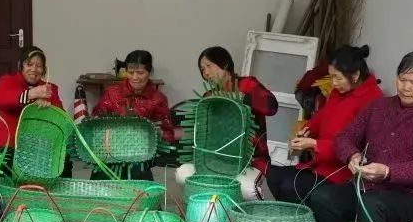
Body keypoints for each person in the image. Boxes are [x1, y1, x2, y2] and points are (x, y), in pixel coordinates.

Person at [307, 51, 413, 222]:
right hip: (370, 186)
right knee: (322, 197)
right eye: (402, 80)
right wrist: (352, 155)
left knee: (371, 204)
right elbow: (345, 137)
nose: (406, 87)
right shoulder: (378, 107)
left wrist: (387, 172)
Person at [267, 44, 383, 204]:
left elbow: (355, 147)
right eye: (331, 77)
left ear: (355, 75)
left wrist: (314, 144)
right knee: (273, 175)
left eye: (338, 78)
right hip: (321, 165)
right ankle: (293, 216)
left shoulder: (372, 100)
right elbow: (323, 115)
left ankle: (304, 217)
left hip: (341, 173)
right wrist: (307, 130)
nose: (334, 83)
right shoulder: (339, 91)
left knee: (289, 186)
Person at [175, 46, 278, 200]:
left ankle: (248, 214)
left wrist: (242, 97)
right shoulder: (209, 96)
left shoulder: (248, 85)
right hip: (215, 159)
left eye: (209, 66)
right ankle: (203, 209)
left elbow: (271, 106)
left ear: (225, 64)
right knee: (183, 174)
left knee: (247, 188)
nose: (206, 73)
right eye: (202, 69)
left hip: (250, 161)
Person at [89, 50, 173, 181]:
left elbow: (168, 133)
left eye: (140, 73)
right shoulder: (112, 93)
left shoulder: (158, 99)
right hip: (111, 150)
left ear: (149, 72)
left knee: (139, 180)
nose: (135, 77)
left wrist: (158, 133)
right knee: (99, 182)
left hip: (140, 153)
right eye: (130, 72)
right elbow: (96, 120)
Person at [0, 46, 67, 176]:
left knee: (63, 162)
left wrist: (48, 109)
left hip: (38, 149)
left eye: (39, 66)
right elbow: (0, 99)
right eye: (29, 64)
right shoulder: (7, 81)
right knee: (5, 175)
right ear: (21, 65)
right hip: (9, 146)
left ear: (44, 69)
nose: (34, 69)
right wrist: (30, 94)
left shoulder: (49, 89)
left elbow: (61, 117)